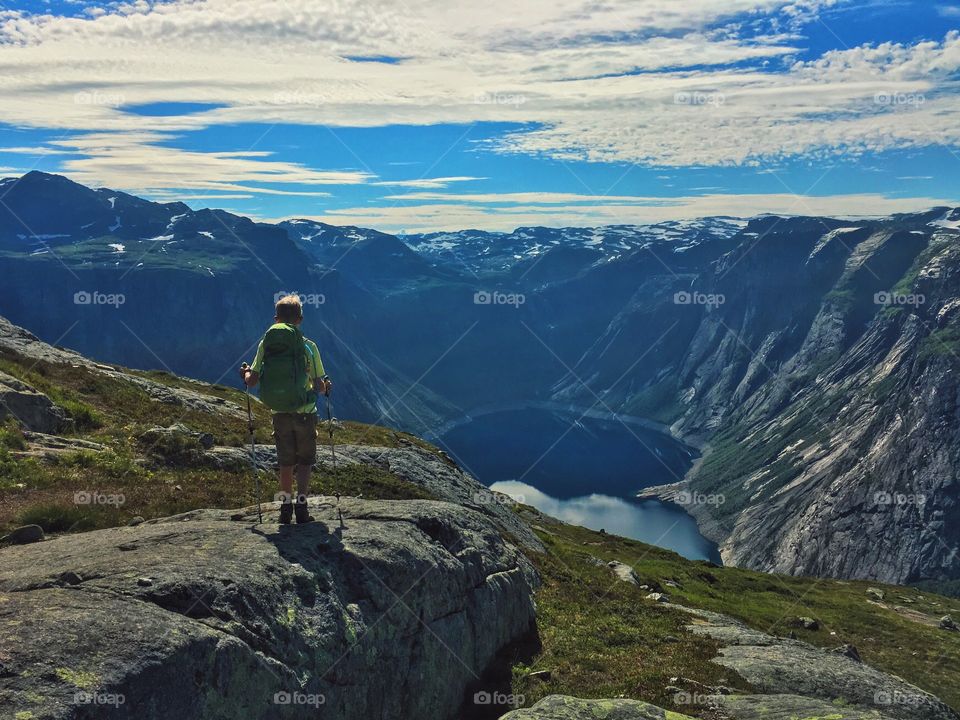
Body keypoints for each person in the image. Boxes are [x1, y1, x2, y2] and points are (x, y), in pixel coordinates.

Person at [239, 294, 332, 525]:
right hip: (305, 412)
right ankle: (302, 508)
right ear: (300, 319)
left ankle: (284, 508)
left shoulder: (265, 344)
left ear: (276, 318)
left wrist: (246, 373)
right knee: (305, 462)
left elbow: (252, 381)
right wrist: (325, 387)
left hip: (279, 412)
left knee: (286, 462)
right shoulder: (309, 347)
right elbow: (320, 385)